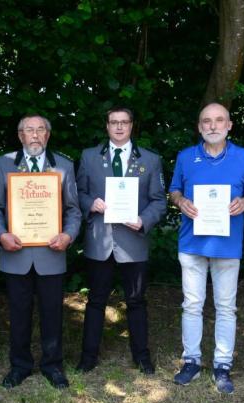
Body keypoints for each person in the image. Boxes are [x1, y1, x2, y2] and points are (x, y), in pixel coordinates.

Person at [168, 102, 244, 393]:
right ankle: (192, 361)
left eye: (219, 120)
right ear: (199, 126)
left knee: (225, 307)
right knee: (192, 304)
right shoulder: (185, 157)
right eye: (206, 121)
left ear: (229, 125)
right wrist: (180, 201)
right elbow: (174, 190)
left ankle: (222, 365)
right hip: (192, 243)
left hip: (228, 244)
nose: (213, 126)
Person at [0, 114, 81, 389]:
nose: (35, 135)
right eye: (29, 130)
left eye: (41, 130)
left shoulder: (63, 164)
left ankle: (52, 365)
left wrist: (68, 235)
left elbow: (73, 210)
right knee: (18, 314)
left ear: (48, 135)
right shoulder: (3, 164)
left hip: (52, 252)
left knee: (53, 313)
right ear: (20, 136)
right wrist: (1, 234)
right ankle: (20, 366)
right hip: (16, 253)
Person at [74, 107, 166, 375]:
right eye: (113, 122)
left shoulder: (150, 159)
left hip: (133, 241)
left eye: (124, 122)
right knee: (95, 301)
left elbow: (159, 201)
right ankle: (88, 357)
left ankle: (142, 356)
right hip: (99, 241)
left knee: (136, 301)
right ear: (106, 126)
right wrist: (91, 203)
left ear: (132, 126)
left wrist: (144, 220)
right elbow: (76, 193)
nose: (118, 127)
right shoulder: (90, 157)